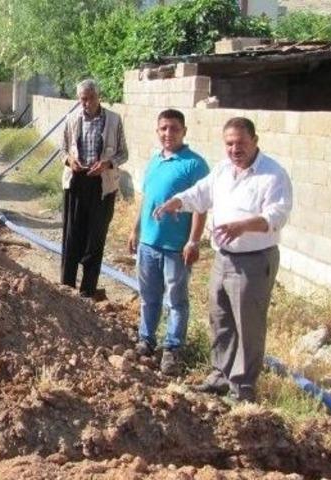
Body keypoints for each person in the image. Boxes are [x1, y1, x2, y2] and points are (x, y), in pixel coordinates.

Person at [153, 117, 293, 402]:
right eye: (229, 143)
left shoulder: (273, 174)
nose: (234, 149)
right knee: (220, 319)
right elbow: (199, 194)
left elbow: (277, 215)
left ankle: (242, 388)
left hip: (253, 261)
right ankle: (219, 375)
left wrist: (243, 225)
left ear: (255, 140)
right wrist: (175, 202)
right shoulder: (222, 171)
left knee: (248, 325)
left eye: (240, 143)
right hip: (223, 257)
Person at [128, 109, 209, 376]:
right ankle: (146, 340)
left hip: (176, 248)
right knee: (149, 297)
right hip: (149, 244)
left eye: (174, 128)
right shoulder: (154, 162)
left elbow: (201, 206)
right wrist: (136, 230)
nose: (168, 134)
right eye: (163, 128)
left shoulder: (194, 165)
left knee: (176, 300)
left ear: (184, 131)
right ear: (157, 131)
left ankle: (172, 349)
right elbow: (146, 199)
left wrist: (193, 241)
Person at [60, 79, 128, 298]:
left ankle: (88, 291)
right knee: (72, 237)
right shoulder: (71, 119)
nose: (85, 103)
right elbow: (62, 150)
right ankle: (66, 288)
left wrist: (107, 164)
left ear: (99, 96)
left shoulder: (114, 120)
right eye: (82, 99)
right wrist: (69, 161)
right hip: (76, 183)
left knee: (95, 237)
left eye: (89, 98)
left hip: (102, 186)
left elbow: (123, 153)